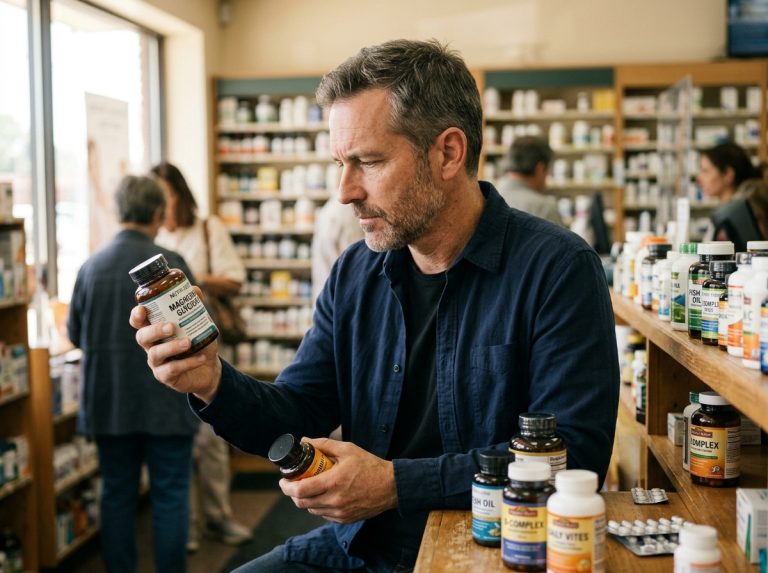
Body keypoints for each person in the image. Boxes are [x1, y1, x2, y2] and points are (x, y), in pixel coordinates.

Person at [131, 39, 619, 572]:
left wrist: (394, 484)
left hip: (486, 551)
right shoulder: (355, 273)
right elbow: (297, 413)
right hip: (359, 546)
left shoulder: (557, 268)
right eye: (341, 163)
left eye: (367, 161)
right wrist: (209, 379)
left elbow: (575, 456)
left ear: (448, 153)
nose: (344, 191)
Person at [68, 175, 198, 573]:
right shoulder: (171, 266)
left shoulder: (91, 267)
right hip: (168, 401)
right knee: (171, 494)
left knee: (117, 494)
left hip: (110, 404)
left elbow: (75, 333)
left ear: (119, 211)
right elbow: (196, 335)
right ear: (159, 213)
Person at [150, 162, 252, 550]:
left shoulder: (207, 228)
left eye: (167, 194)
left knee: (211, 438)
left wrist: (191, 282)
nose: (163, 204)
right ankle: (187, 527)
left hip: (204, 343)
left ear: (179, 194)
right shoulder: (153, 236)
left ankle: (218, 517)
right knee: (179, 441)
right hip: (166, 351)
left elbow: (235, 278)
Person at [698, 141, 765, 249]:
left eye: (706, 171)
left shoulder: (740, 212)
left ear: (728, 174)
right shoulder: (732, 210)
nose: (699, 178)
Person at [496, 135, 564, 226]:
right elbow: (560, 240)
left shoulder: (485, 198)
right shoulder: (544, 207)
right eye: (548, 171)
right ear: (540, 169)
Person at [311, 190, 364, 302]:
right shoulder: (348, 212)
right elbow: (356, 265)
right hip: (341, 299)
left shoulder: (329, 208)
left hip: (326, 295)